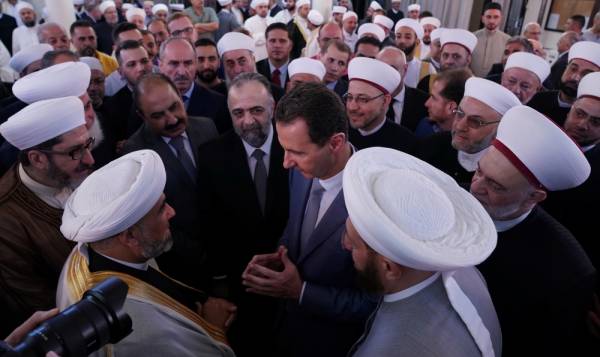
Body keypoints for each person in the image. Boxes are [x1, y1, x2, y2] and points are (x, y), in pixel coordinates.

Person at [56, 150, 236, 357]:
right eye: (161, 209)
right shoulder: (134, 327)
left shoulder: (88, 251)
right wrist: (215, 329)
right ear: (130, 237)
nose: (171, 212)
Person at [242, 82, 377, 357]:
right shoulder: (301, 171)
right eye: (284, 149)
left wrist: (300, 291)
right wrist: (278, 258)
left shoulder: (373, 202)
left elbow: (374, 304)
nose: (286, 163)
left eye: (298, 152)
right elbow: (297, 232)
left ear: (335, 142)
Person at [342, 147, 502, 357]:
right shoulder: (466, 272)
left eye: (354, 244)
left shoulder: (391, 350)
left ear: (389, 267)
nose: (345, 245)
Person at [472, 105, 595, 356]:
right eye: (479, 171)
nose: (475, 188)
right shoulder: (452, 195)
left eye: (496, 186)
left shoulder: (567, 271)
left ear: (534, 197)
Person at [196, 72, 290, 356]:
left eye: (256, 110)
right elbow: (210, 223)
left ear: (273, 107)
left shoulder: (296, 144)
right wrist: (219, 282)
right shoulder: (212, 154)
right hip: (242, 284)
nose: (247, 121)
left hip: (293, 276)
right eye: (238, 113)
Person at [0, 96, 93, 335]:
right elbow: (46, 308)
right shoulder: (6, 220)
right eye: (75, 151)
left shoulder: (74, 169)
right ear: (38, 159)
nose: (90, 159)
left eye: (88, 144)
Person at [122, 73, 217, 289]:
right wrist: (198, 253)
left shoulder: (207, 127)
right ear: (142, 115)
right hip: (182, 267)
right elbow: (147, 219)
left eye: (175, 106)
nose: (172, 119)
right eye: (158, 115)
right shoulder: (135, 153)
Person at [542, 72, 600, 278]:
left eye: (596, 122)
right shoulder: (540, 142)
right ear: (569, 111)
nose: (583, 125)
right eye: (580, 114)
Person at [416, 77, 520, 184]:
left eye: (475, 121)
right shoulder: (433, 144)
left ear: (499, 129)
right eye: (460, 114)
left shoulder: (505, 175)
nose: (460, 126)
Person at [159, 37, 231, 134]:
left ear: (196, 64)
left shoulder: (218, 104)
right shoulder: (148, 103)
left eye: (188, 63)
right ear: (161, 66)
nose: (182, 72)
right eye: (174, 64)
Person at [346, 57, 416, 153]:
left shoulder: (406, 143)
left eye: (363, 99)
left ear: (385, 101)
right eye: (349, 97)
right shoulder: (337, 132)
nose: (352, 107)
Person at [528, 41, 600, 126]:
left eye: (586, 74)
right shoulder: (537, 99)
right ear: (565, 68)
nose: (575, 77)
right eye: (573, 69)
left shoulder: (591, 118)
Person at [377, 46, 429, 133]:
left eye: (392, 69)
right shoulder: (366, 100)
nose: (385, 74)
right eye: (381, 69)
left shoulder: (424, 102)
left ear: (405, 70)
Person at [422, 67, 471, 136]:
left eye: (434, 98)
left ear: (451, 107)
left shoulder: (465, 144)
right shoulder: (424, 126)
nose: (426, 104)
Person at [471, 2, 511, 77]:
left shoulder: (508, 40)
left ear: (501, 18)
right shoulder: (471, 37)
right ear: (482, 18)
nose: (492, 21)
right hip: (470, 80)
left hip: (494, 83)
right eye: (488, 17)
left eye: (496, 17)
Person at [394, 18, 435, 88]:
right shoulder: (385, 63)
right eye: (398, 36)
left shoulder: (427, 68)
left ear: (417, 42)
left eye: (407, 37)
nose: (402, 41)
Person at [256, 22, 292, 89]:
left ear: (290, 46)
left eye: (282, 41)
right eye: (272, 41)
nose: (277, 45)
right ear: (266, 44)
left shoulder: (298, 72)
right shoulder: (256, 70)